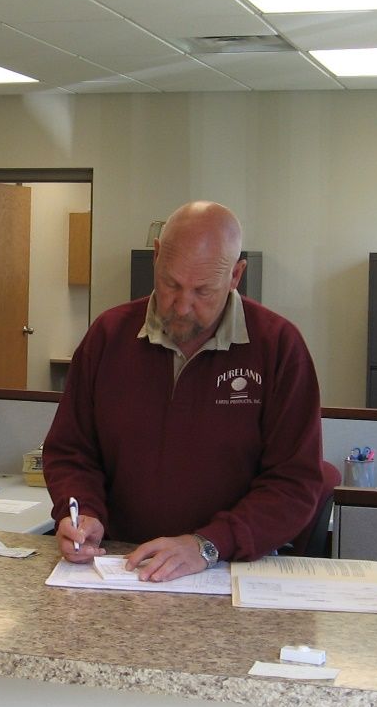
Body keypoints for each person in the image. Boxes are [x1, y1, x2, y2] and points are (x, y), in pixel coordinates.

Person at [44, 200, 324, 582]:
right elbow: (71, 450)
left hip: (231, 569)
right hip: (123, 565)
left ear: (236, 275)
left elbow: (294, 483)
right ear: (156, 257)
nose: (182, 306)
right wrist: (83, 512)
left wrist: (208, 544)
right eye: (171, 284)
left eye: (203, 291)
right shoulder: (109, 336)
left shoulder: (278, 347)